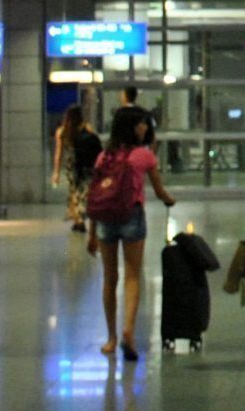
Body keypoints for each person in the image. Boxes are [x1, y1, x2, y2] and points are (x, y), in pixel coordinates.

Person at [91, 105, 176, 361]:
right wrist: (170, 200)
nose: (145, 128)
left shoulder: (104, 156)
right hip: (132, 216)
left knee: (109, 278)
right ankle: (128, 329)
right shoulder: (144, 156)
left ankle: (111, 338)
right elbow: (160, 192)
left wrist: (91, 234)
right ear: (132, 126)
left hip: (105, 219)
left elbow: (95, 194)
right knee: (132, 276)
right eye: (141, 123)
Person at [52, 105, 90, 235]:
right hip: (84, 164)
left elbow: (59, 153)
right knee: (81, 192)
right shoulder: (85, 129)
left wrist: (56, 171)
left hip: (71, 166)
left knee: (73, 192)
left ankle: (77, 219)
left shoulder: (62, 132)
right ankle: (79, 219)